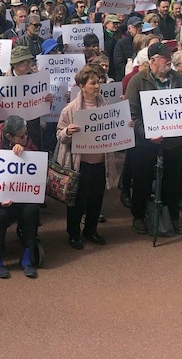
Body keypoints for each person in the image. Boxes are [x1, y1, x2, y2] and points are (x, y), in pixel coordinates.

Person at [126, 42, 182, 235]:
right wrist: (147, 134)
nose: (169, 60)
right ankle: (139, 216)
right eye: (164, 57)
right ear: (153, 61)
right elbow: (132, 115)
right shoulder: (138, 81)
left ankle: (172, 217)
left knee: (173, 181)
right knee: (142, 179)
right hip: (145, 143)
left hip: (173, 141)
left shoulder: (176, 78)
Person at [56, 67, 116, 249]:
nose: (98, 86)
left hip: (100, 162)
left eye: (99, 82)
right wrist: (68, 131)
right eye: (93, 83)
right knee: (77, 201)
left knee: (96, 199)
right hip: (79, 164)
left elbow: (115, 129)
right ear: (82, 86)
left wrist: (125, 126)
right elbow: (59, 134)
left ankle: (91, 230)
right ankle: (73, 234)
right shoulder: (70, 109)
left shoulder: (106, 106)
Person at [0, 115, 40, 279]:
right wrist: (1, 196)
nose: (26, 138)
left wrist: (25, 152)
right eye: (21, 136)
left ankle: (27, 255)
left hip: (22, 193)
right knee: (0, 216)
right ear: (9, 136)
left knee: (32, 210)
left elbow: (37, 161)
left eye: (26, 134)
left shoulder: (26, 142)